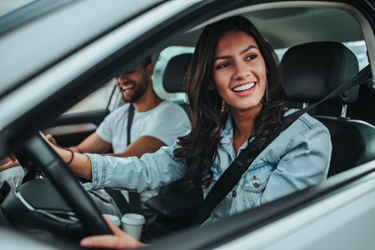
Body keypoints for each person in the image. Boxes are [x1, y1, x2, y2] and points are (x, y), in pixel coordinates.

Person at [16, 16, 333, 249]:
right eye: (224, 64)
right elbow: (144, 169)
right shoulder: (212, 133)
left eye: (251, 57)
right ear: (210, 80)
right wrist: (62, 158)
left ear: (265, 64)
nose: (241, 72)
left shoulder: (305, 139)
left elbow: (267, 239)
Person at [0, 57, 191, 221]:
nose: (121, 79)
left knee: (27, 190)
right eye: (117, 74)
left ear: (149, 70)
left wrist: (59, 157)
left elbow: (129, 159)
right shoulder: (121, 114)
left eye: (129, 71)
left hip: (131, 209)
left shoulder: (170, 116)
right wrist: (47, 152)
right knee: (15, 175)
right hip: (103, 189)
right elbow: (81, 150)